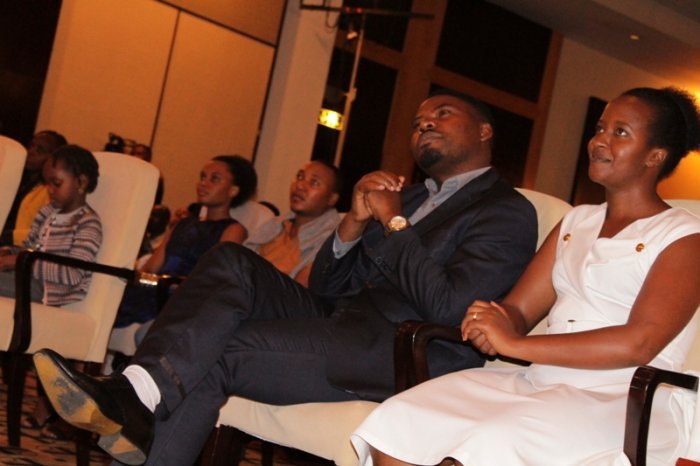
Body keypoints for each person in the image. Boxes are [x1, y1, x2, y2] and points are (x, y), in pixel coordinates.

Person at [33, 89, 538, 466]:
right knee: (231, 260)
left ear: (484, 131)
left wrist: (393, 222)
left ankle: (136, 401)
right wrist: (353, 222)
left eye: (442, 114)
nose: (424, 123)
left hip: (400, 351)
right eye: (418, 120)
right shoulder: (406, 197)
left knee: (217, 349)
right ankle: (137, 393)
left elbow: (449, 307)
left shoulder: (506, 211)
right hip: (339, 321)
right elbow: (326, 288)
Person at [350, 87, 700, 466]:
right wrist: (491, 321)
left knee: (491, 439)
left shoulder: (684, 235)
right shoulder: (577, 221)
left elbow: (639, 343)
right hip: (543, 381)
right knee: (402, 417)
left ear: (654, 156)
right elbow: (518, 310)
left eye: (620, 133)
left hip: (623, 397)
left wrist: (515, 345)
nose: (599, 140)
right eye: (600, 128)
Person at [113, 155, 250, 329]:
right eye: (202, 177)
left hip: (184, 301)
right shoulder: (183, 224)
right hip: (156, 290)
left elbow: (215, 278)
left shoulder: (233, 229)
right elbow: (151, 268)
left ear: (233, 191)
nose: (203, 184)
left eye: (214, 179)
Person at [0, 144, 102, 305]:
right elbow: (29, 249)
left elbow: (73, 274)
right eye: (47, 183)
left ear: (81, 183)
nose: (50, 190)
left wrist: (17, 261)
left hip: (48, 290)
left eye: (57, 183)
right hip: (25, 278)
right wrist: (8, 252)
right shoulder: (47, 211)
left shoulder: (87, 223)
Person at [244, 159, 342, 287]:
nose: (300, 186)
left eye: (314, 182)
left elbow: (299, 292)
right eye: (300, 177)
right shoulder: (276, 224)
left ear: (332, 199)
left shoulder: (332, 241)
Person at [0, 130, 67, 246]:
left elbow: (46, 231)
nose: (31, 152)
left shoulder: (51, 192)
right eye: (31, 146)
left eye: (40, 150)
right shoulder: (15, 178)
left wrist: (8, 236)